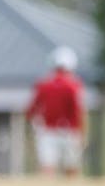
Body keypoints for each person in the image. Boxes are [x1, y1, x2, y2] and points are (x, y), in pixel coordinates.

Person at [25, 46, 85, 177]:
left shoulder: (43, 84)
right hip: (70, 131)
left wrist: (30, 124)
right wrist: (80, 132)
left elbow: (32, 109)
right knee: (71, 167)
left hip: (47, 131)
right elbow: (77, 112)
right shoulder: (74, 86)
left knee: (47, 167)